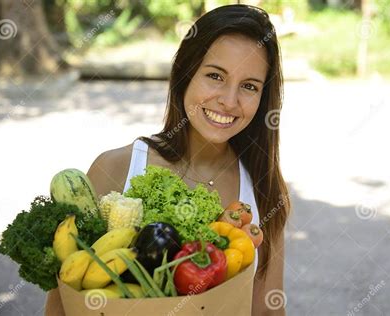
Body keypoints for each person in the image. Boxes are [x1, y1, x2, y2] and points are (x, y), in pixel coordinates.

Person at [44, 4, 290, 315]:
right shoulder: (115, 168)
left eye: (249, 86)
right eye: (215, 76)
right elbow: (61, 306)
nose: (229, 101)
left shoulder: (263, 189)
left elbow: (267, 309)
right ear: (184, 74)